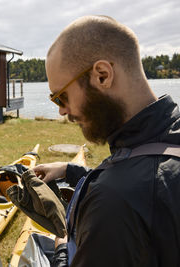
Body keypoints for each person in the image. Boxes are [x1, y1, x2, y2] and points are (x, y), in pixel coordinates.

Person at [33, 15, 180, 266]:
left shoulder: (113, 203)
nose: (61, 110)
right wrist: (69, 170)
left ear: (102, 75)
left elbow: (130, 188)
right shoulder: (166, 136)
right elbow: (146, 179)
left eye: (61, 97)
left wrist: (61, 246)